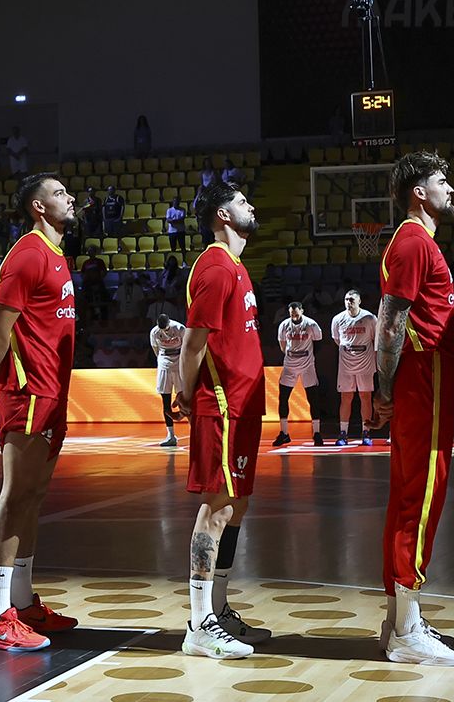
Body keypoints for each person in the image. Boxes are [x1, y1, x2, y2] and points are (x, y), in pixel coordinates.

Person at [370, 150, 454, 667]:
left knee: (408, 497)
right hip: (422, 377)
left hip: (424, 379)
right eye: (442, 179)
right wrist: (386, 388)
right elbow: (390, 322)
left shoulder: (417, 242)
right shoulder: (411, 241)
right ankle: (407, 630)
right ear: (418, 192)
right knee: (422, 498)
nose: (450, 186)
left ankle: (398, 620)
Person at [0, 172, 79, 652]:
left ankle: (23, 601)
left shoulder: (57, 255)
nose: (70, 197)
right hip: (26, 392)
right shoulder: (28, 253)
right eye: (59, 192)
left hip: (52, 392)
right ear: (38, 207)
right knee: (15, 495)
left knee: (34, 495)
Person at [173, 183, 269, 659]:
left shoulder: (235, 266)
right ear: (221, 215)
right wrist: (186, 392)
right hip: (223, 405)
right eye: (240, 201)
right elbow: (193, 342)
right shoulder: (213, 266)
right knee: (216, 510)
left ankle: (219, 606)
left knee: (238, 507)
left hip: (244, 405)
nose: (250, 205)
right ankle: (199, 624)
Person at [331, 291, 377, 446]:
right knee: (346, 398)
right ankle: (343, 433)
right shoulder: (337, 319)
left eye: (351, 299)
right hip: (346, 364)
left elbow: (375, 339)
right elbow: (337, 339)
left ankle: (366, 432)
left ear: (359, 300)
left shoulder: (370, 318)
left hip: (365, 364)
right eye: (346, 299)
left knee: (365, 397)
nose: (348, 302)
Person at [276, 302, 322, 446]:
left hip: (307, 366)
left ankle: (316, 433)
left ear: (302, 311)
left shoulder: (311, 324)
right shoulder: (284, 325)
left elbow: (318, 343)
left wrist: (307, 357)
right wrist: (291, 355)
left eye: (296, 313)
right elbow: (282, 344)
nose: (294, 316)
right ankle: (284, 433)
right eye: (292, 314)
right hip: (290, 366)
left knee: (313, 398)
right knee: (283, 398)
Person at [150, 314, 186, 447]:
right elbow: (155, 349)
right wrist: (162, 361)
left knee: (184, 399)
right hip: (164, 364)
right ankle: (170, 435)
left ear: (169, 323)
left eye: (166, 329)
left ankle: (194, 431)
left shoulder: (180, 328)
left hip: (179, 363)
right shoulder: (154, 332)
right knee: (165, 400)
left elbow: (187, 347)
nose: (164, 333)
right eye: (162, 330)